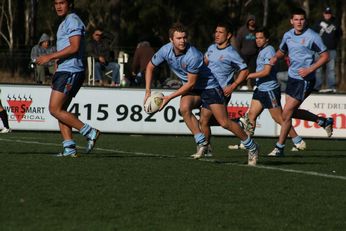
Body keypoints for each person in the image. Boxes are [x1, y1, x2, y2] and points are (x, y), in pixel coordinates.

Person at [144, 23, 259, 165]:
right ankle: (201, 142)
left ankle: (251, 146)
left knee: (224, 122)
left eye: (184, 37)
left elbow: (190, 83)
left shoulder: (192, 55)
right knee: (185, 108)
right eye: (178, 38)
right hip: (194, 87)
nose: (182, 41)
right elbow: (149, 67)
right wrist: (148, 91)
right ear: (171, 40)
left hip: (209, 87)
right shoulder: (165, 50)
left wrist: (168, 97)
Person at [36, 0, 100, 157]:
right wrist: (56, 70)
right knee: (61, 110)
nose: (58, 6)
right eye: (56, 3)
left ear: (70, 4)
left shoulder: (73, 20)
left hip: (71, 71)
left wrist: (49, 56)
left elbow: (74, 47)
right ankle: (69, 148)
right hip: (64, 71)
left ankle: (90, 132)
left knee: (54, 109)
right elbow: (65, 48)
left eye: (62, 2)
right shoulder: (64, 22)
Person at [268, 8, 333, 157]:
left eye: (302, 19)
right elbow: (282, 51)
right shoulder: (288, 35)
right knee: (290, 113)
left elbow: (325, 56)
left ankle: (279, 147)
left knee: (286, 114)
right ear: (291, 21)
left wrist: (310, 69)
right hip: (292, 78)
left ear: (305, 21)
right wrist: (274, 57)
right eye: (296, 19)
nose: (299, 22)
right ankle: (322, 121)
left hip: (305, 80)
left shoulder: (312, 37)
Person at [239, 27, 307, 152]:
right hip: (261, 89)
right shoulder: (261, 50)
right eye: (257, 38)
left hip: (270, 90)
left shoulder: (269, 51)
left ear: (267, 39)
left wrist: (249, 75)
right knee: (251, 116)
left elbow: (266, 71)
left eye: (261, 38)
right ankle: (246, 142)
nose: (258, 40)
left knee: (279, 119)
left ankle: (298, 140)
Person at [201, 22, 249, 156]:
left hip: (221, 92)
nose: (216, 35)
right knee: (205, 121)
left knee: (206, 120)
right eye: (216, 32)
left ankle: (249, 144)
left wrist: (233, 86)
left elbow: (244, 71)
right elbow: (205, 62)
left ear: (228, 36)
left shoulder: (231, 53)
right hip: (208, 89)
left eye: (220, 32)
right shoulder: (211, 48)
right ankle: (237, 122)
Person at [313, 7, 343, 93]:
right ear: (323, 14)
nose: (327, 15)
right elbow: (312, 34)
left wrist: (335, 43)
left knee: (331, 69)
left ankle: (331, 87)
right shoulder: (318, 22)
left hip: (332, 50)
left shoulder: (335, 22)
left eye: (329, 13)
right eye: (326, 13)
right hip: (319, 51)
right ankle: (317, 87)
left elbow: (339, 34)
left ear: (331, 14)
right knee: (318, 69)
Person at [236, 14, 258, 90]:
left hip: (254, 54)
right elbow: (238, 43)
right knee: (243, 70)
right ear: (247, 21)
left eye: (253, 20)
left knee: (254, 70)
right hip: (243, 54)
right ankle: (243, 85)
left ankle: (254, 84)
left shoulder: (257, 30)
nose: (251, 22)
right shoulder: (242, 30)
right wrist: (238, 53)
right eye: (250, 20)